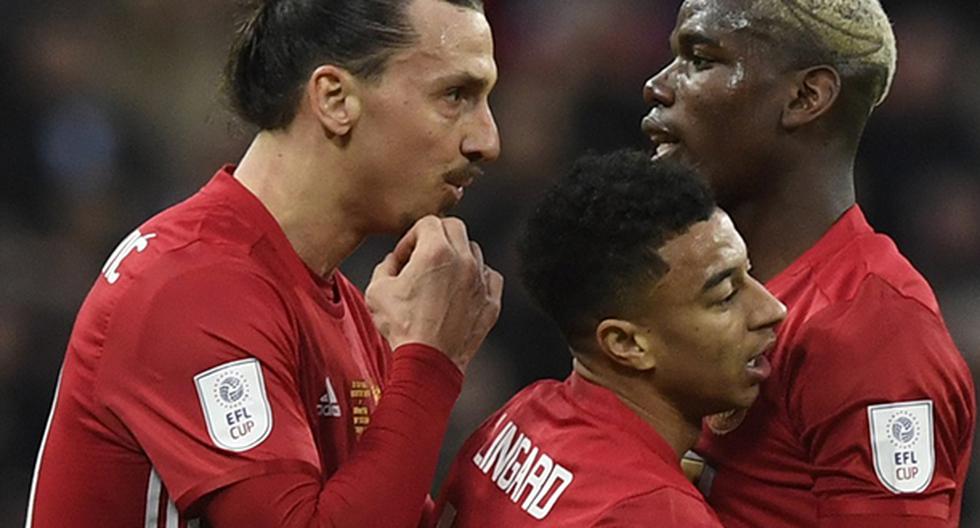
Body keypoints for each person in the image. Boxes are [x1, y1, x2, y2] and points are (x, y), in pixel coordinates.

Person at [25, 0, 502, 526]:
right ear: (335, 98)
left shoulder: (327, 299)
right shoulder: (190, 287)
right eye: (456, 95)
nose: (487, 141)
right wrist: (431, 362)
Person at [641, 1, 976, 527]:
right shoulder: (688, 283)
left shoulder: (873, 330)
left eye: (700, 60)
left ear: (805, 97)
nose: (658, 86)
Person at [429, 150, 787, 527]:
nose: (771, 308)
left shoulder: (515, 421)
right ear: (626, 344)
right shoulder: (657, 513)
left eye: (750, 274)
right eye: (725, 296)